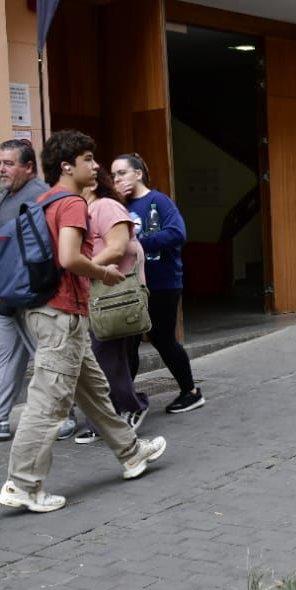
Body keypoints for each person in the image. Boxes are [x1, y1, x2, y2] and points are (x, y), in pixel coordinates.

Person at [0, 130, 167, 513]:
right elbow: (70, 257)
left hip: (52, 312)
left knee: (94, 390)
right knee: (48, 403)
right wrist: (103, 274)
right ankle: (23, 485)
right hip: (61, 314)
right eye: (89, 159)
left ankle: (131, 452)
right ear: (67, 166)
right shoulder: (71, 203)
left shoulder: (43, 200)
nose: (96, 166)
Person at [0, 139, 76, 442]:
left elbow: (39, 250)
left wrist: (13, 284)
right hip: (3, 295)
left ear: (29, 167)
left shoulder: (37, 196)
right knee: (4, 356)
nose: (0, 169)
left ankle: (65, 417)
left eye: (8, 163)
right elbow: (12, 244)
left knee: (47, 358)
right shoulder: (11, 195)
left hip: (25, 296)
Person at [112, 155, 203, 414]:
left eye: (122, 173)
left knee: (162, 339)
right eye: (114, 175)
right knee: (128, 341)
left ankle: (191, 391)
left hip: (162, 283)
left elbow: (177, 233)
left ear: (138, 173)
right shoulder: (118, 205)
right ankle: (125, 402)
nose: (117, 179)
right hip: (130, 285)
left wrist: (138, 244)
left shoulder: (158, 201)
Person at [73, 175, 148, 444]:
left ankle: (133, 406)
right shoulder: (81, 211)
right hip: (93, 295)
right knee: (99, 359)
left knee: (107, 358)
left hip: (112, 296)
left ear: (91, 185)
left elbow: (118, 249)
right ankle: (102, 419)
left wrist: (79, 268)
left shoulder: (105, 206)